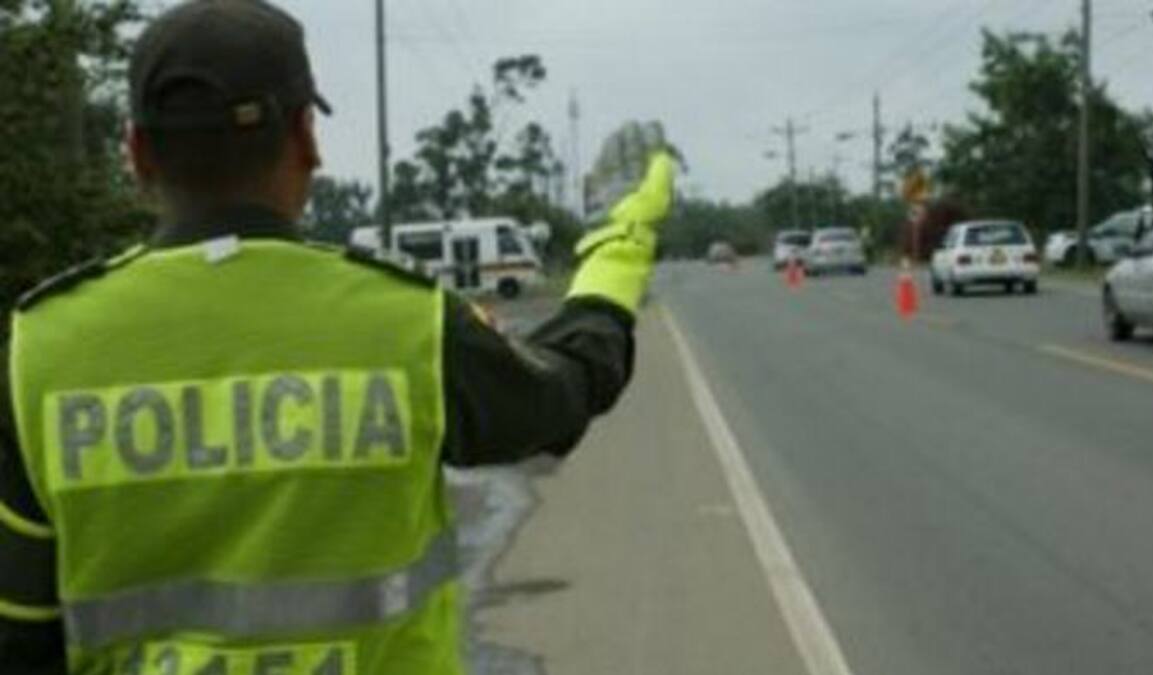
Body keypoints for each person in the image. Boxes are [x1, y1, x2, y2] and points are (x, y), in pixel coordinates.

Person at [0, 1, 674, 673]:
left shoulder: (40, 349)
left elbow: (22, 634)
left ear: (136, 152)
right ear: (305, 140)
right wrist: (618, 256)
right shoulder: (407, 323)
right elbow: (563, 392)